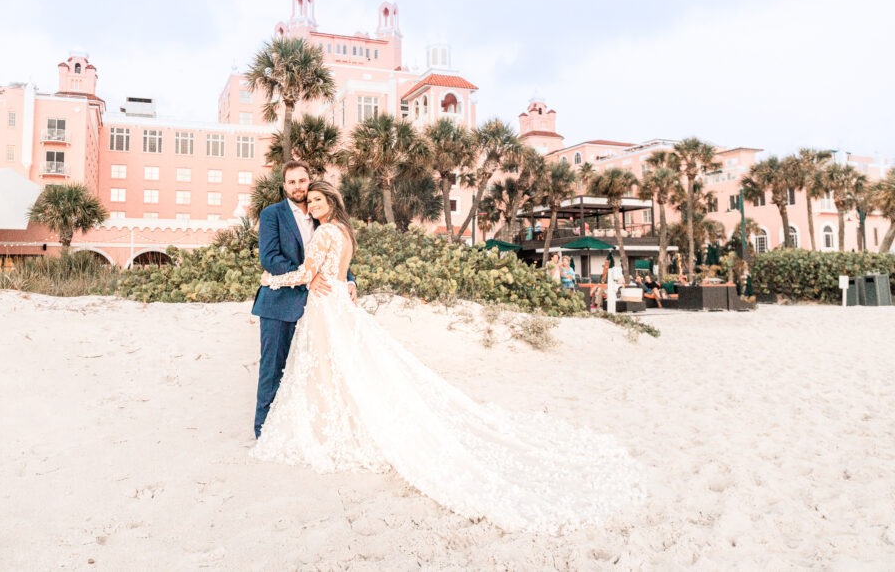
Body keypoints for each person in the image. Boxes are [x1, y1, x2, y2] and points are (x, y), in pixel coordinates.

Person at [253, 181, 644, 533]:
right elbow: (341, 271)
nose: (314, 205)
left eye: (319, 200)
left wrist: (271, 278)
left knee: (327, 368)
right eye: (312, 201)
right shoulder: (345, 232)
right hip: (340, 304)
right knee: (343, 369)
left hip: (326, 310)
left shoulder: (323, 232)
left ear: (330, 202)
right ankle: (343, 422)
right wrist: (341, 283)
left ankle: (331, 431)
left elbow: (307, 274)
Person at [250, 161, 357, 439]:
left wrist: (350, 280)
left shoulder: (323, 219)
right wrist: (307, 277)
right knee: (273, 368)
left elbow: (334, 257)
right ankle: (264, 431)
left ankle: (301, 428)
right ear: (284, 185)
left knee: (310, 370)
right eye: (292, 182)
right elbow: (269, 257)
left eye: (302, 181)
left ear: (310, 182)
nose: (298, 186)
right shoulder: (272, 214)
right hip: (279, 305)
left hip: (317, 309)